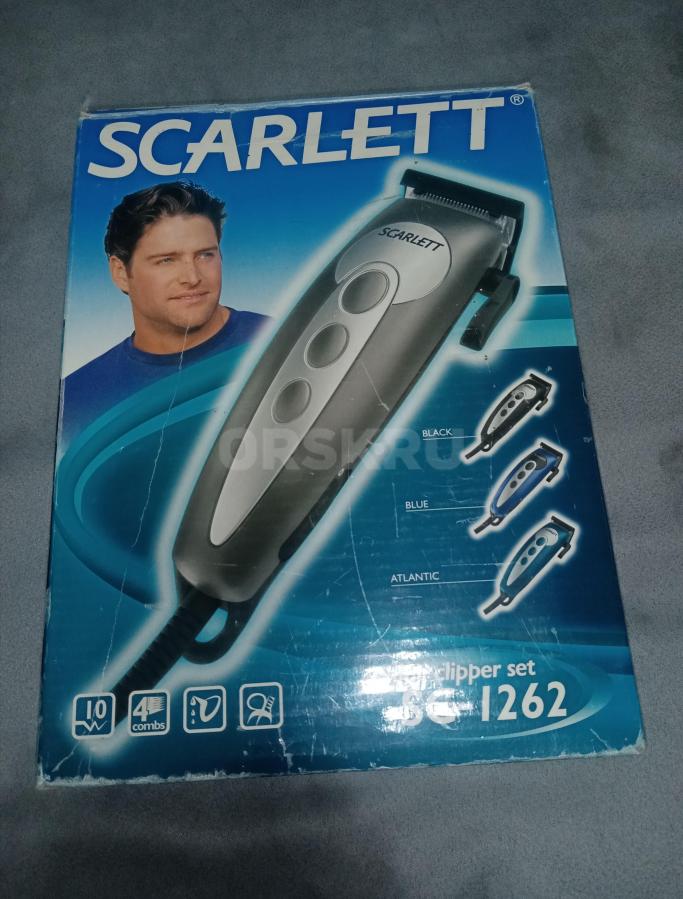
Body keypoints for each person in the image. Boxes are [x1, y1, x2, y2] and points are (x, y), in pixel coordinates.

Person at [62, 181, 269, 438]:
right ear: (121, 273)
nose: (192, 277)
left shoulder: (288, 342)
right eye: (167, 260)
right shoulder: (75, 399)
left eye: (205, 255)